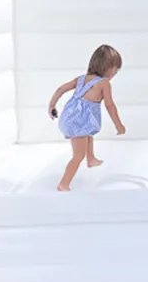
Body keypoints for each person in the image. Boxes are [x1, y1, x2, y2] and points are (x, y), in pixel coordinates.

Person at [49, 44, 126, 191]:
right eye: (115, 69)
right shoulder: (104, 84)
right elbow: (110, 106)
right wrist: (118, 124)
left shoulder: (81, 79)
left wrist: (52, 105)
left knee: (88, 130)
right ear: (107, 67)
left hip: (72, 118)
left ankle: (91, 158)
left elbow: (61, 89)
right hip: (78, 122)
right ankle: (64, 183)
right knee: (78, 155)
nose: (116, 73)